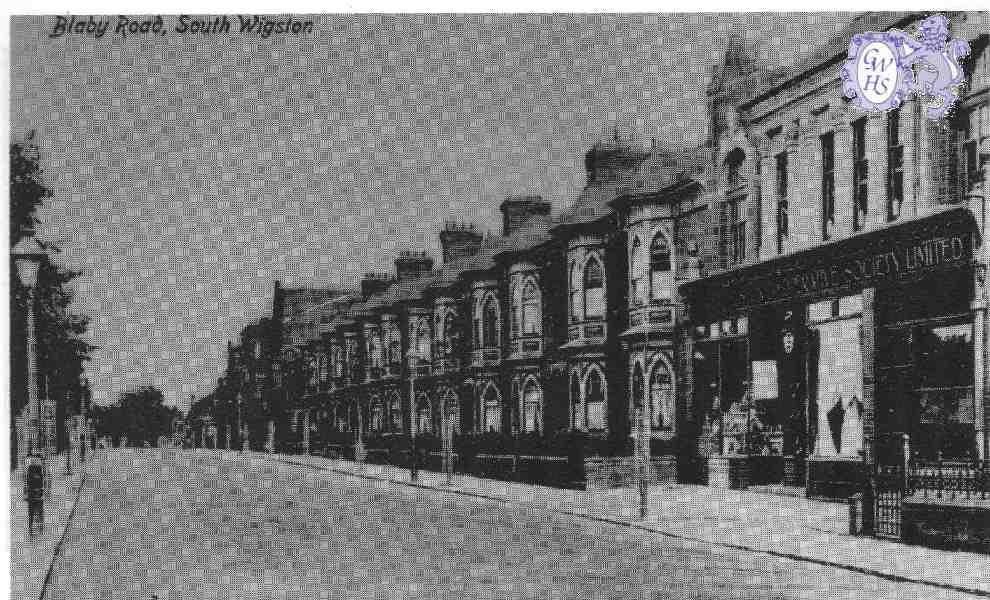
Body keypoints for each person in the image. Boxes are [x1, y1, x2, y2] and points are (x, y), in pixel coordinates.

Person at [24, 454, 45, 534]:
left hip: (34, 491)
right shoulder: (35, 468)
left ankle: (34, 524)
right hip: (35, 491)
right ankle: (34, 524)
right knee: (36, 509)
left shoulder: (33, 468)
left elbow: (28, 481)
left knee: (33, 510)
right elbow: (27, 481)